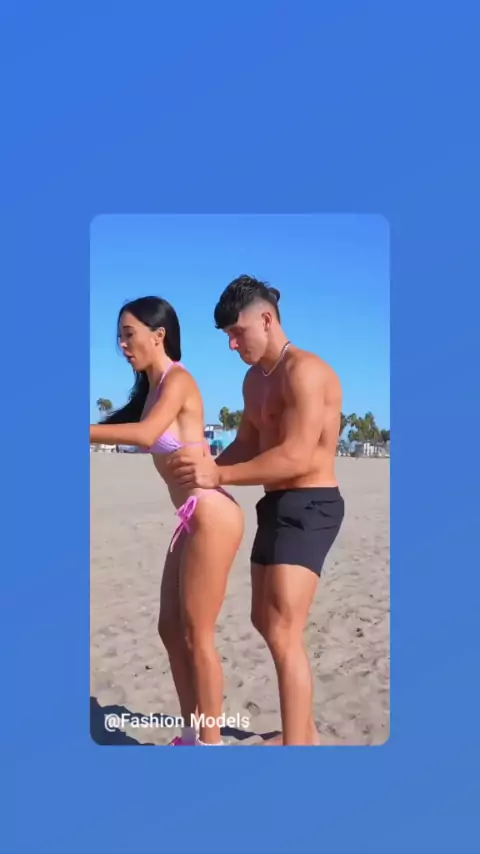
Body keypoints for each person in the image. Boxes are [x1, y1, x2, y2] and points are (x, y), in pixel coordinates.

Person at [168, 276, 344, 746]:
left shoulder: (306, 372)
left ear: (266, 319)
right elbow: (247, 443)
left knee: (284, 629)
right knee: (264, 621)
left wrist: (219, 476)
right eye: (227, 335)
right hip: (275, 505)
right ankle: (305, 732)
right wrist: (204, 470)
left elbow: (298, 456)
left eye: (237, 332)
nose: (232, 343)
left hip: (312, 504)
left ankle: (298, 749)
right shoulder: (254, 380)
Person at [90, 296, 244, 746]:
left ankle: (210, 745)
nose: (122, 345)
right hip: (191, 517)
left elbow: (144, 435)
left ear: (159, 336)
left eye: (129, 335)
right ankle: (192, 734)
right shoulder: (152, 389)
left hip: (212, 514)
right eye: (119, 337)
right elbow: (134, 425)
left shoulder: (178, 379)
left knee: (197, 634)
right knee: (170, 629)